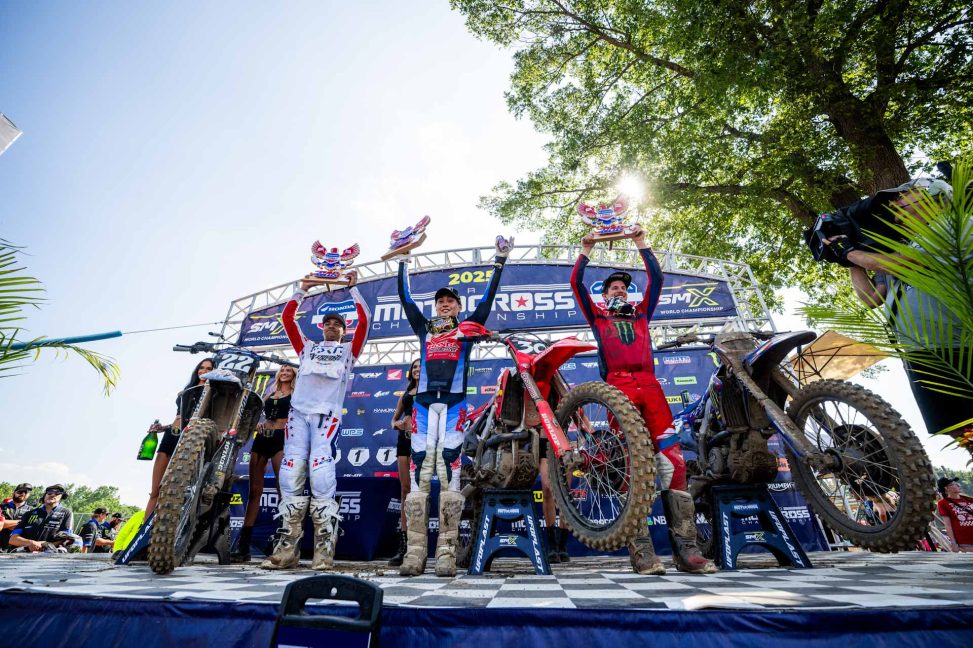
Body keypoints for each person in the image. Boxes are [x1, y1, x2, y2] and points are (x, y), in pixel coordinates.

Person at [571, 225, 716, 575]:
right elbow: (576, 284)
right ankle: (642, 554)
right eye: (613, 288)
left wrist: (641, 243)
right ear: (604, 296)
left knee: (675, 463)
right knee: (633, 468)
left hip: (650, 387)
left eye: (623, 287)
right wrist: (586, 250)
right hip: (618, 388)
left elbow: (656, 278)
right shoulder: (599, 316)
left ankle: (687, 552)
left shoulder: (641, 314)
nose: (619, 289)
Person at [397, 236, 512, 577]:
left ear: (459, 307)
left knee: (450, 472)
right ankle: (415, 555)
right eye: (440, 301)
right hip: (421, 407)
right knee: (420, 474)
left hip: (454, 405)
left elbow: (488, 301)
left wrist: (499, 261)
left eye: (451, 301)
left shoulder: (467, 328)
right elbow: (405, 299)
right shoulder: (425, 329)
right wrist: (403, 262)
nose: (445, 304)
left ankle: (446, 553)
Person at [830, 178, 971, 451]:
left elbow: (897, 263)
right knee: (962, 430)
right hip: (922, 353)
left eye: (903, 196)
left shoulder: (953, 226)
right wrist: (847, 260)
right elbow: (871, 298)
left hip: (958, 349)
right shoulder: (906, 245)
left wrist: (851, 251)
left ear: (936, 195)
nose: (896, 204)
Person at [262, 270, 370, 571]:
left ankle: (324, 548)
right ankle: (287, 549)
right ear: (322, 328)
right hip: (298, 414)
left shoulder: (351, 350)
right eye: (328, 323)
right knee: (290, 473)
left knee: (321, 472)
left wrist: (354, 289)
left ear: (343, 331)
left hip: (327, 416)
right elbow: (287, 320)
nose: (332, 327)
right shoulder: (307, 348)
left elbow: (364, 321)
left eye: (337, 324)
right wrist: (302, 290)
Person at [232, 364, 295, 563]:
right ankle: (243, 546)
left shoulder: (296, 394)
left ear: (293, 375)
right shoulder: (269, 394)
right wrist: (259, 422)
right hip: (262, 438)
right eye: (282, 370)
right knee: (254, 491)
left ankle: (284, 541)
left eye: (288, 371)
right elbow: (257, 414)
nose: (284, 373)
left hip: (281, 439)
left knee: (282, 489)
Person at [144, 357, 215, 516]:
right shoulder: (187, 389)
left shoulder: (214, 391)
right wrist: (162, 428)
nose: (203, 371)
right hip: (171, 435)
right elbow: (178, 418)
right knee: (155, 490)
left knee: (175, 490)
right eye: (201, 368)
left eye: (209, 369)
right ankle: (143, 531)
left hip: (190, 438)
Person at [388, 358, 420, 567]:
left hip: (422, 443)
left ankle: (419, 542)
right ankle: (404, 545)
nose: (417, 369)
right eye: (414, 367)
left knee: (419, 491)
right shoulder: (406, 394)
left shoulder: (430, 392)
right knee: (405, 490)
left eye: (420, 366)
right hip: (404, 443)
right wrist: (397, 423)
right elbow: (393, 420)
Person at [8, 484, 80, 552]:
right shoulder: (29, 513)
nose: (52, 494)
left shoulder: (66, 513)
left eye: (57, 493)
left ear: (61, 497)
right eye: (49, 492)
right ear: (44, 495)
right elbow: (12, 539)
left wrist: (44, 545)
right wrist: (31, 543)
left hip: (49, 557)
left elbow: (67, 539)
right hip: (23, 556)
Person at [937, 477, 973, 552]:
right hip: (964, 541)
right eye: (953, 484)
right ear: (947, 488)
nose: (958, 485)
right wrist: (953, 543)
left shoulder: (969, 499)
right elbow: (948, 525)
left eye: (957, 483)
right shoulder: (943, 503)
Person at [1, 483, 33, 550]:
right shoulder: (2, 507)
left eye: (26, 492)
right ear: (14, 492)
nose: (23, 494)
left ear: (29, 495)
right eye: (20, 491)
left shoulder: (32, 511)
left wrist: (7, 524)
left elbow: (29, 529)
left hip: (19, 550)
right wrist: (21, 522)